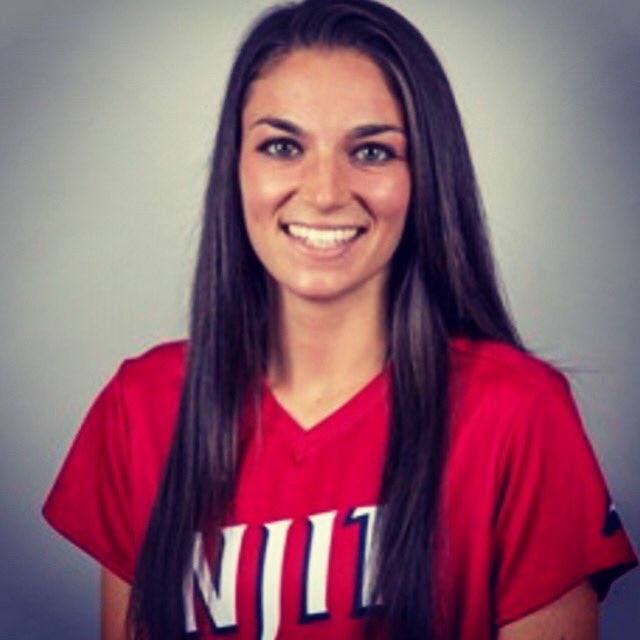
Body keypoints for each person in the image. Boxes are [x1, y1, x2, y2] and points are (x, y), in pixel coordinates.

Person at [42, 1, 637, 638]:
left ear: (425, 176)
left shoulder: (519, 414)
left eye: (373, 151)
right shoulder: (141, 409)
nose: (325, 192)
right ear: (235, 168)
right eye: (282, 146)